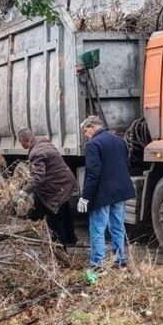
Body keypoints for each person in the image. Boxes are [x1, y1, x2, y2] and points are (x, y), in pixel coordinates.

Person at [77, 116, 135, 270]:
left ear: (92, 127)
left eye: (85, 131)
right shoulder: (119, 141)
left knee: (97, 228)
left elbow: (93, 173)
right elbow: (126, 164)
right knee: (117, 226)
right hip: (119, 192)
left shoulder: (93, 145)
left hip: (102, 194)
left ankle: (98, 264)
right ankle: (120, 260)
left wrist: (85, 197)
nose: (85, 135)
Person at [17, 128, 77, 248]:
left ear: (22, 141)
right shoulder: (44, 143)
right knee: (63, 208)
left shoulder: (36, 153)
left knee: (53, 216)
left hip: (57, 186)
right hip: (66, 182)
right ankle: (70, 239)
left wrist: (24, 191)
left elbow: (38, 178)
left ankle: (60, 248)